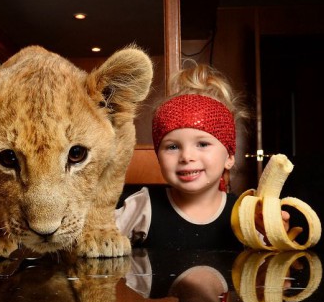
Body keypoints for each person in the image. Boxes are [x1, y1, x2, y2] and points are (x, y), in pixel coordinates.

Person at [116, 63, 287, 250]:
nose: (186, 156)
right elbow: (94, 245)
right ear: (159, 157)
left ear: (229, 156)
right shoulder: (142, 206)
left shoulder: (246, 213)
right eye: (172, 147)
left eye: (203, 144)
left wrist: (275, 236)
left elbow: (269, 270)